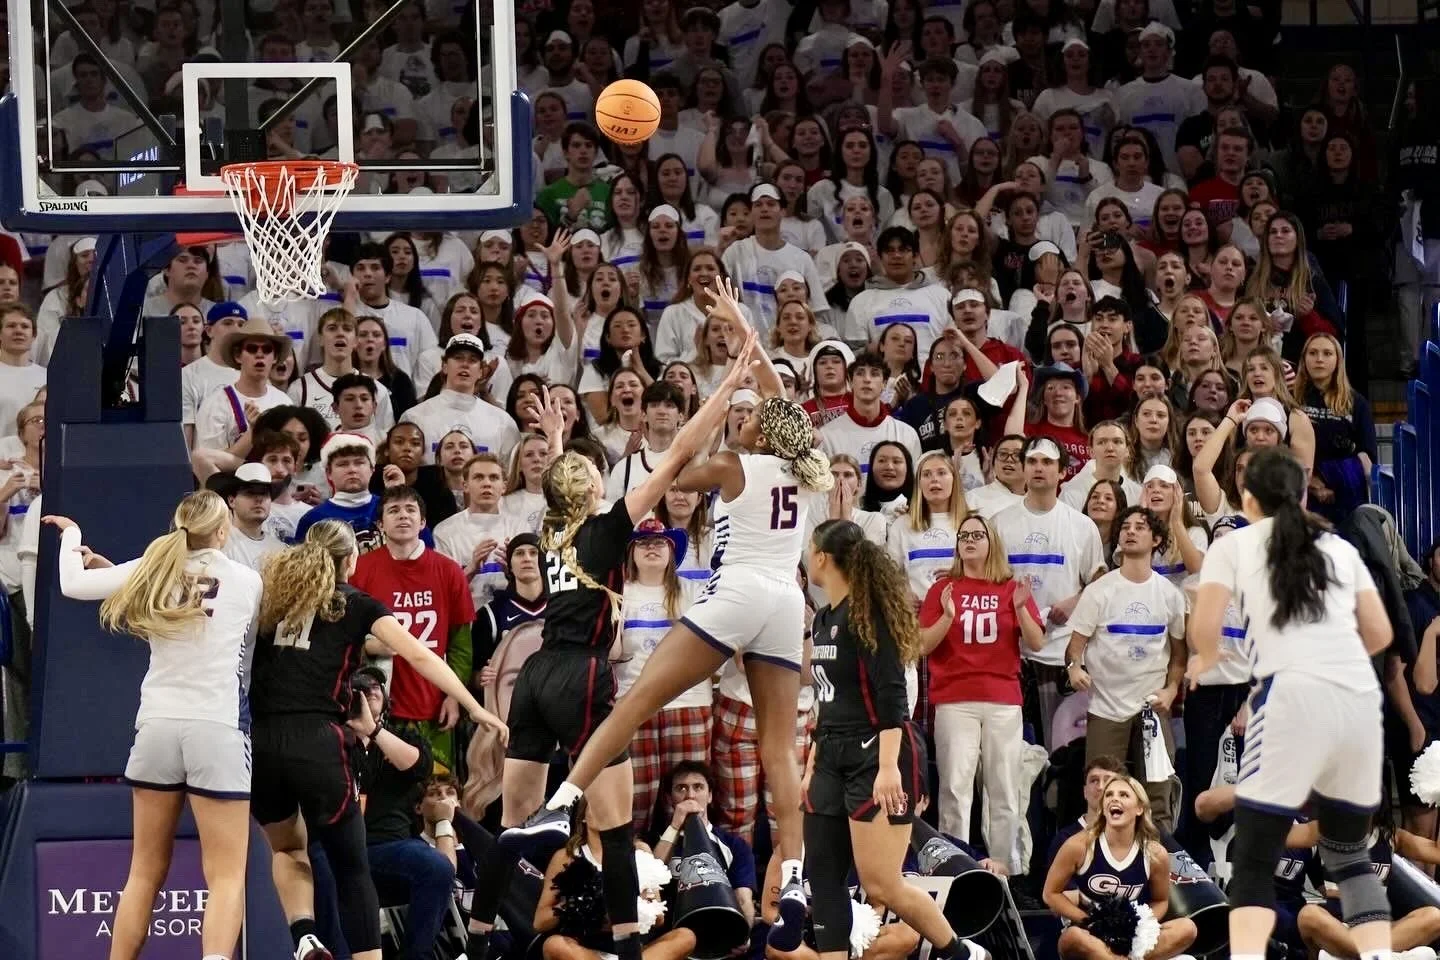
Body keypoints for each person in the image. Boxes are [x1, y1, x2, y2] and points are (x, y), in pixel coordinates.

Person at [538, 277, 831, 953]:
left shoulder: (735, 465)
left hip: (739, 594)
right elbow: (788, 407)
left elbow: (674, 471)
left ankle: (560, 806)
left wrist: (696, 421)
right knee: (778, 752)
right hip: (786, 605)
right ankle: (794, 879)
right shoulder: (804, 470)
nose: (743, 417)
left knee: (634, 701)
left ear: (761, 431)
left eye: (750, 416)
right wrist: (742, 333)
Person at [500, 321, 757, 960]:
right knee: (615, 830)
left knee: (515, 823)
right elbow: (674, 458)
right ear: (592, 489)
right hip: (584, 673)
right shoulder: (608, 527)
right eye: (592, 470)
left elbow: (561, 486)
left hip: (535, 671)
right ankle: (626, 949)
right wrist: (723, 390)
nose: (600, 473)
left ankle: (496, 936)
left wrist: (559, 440)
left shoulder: (550, 526)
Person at [249, 519, 506, 960]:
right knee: (353, 869)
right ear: (351, 560)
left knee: (290, 848)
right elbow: (418, 653)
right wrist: (473, 705)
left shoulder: (270, 600)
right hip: (318, 740)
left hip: (262, 742)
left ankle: (305, 934)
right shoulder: (355, 603)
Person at [1187, 446, 1396, 960]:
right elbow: (1380, 633)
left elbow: (1205, 630)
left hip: (1290, 694)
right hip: (1355, 701)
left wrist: (1203, 659)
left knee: (1255, 862)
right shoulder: (1341, 549)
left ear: (1248, 499)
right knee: (1350, 858)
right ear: (1303, 492)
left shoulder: (1236, 546)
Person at [44, 492, 262, 960]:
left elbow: (72, 584)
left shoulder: (152, 566)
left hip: (158, 727)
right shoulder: (247, 579)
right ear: (223, 532)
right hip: (216, 728)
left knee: (143, 870)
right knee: (225, 875)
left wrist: (72, 536)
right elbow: (242, 652)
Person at [801, 518, 977, 960]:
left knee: (881, 882)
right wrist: (810, 766)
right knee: (822, 873)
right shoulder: (823, 618)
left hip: (879, 753)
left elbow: (893, 698)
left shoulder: (868, 615)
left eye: (810, 548)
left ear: (823, 557)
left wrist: (885, 769)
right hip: (830, 753)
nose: (807, 554)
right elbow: (827, 700)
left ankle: (958, 952)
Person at [1065, 506, 1188, 829]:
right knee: (1102, 794)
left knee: (1157, 795)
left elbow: (1179, 655)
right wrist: (1074, 668)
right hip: (1106, 707)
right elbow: (1074, 646)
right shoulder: (1100, 590)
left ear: (1156, 538)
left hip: (1151, 708)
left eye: (1140, 527)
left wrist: (1172, 689)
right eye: (1126, 527)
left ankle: (1162, 868)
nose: (1131, 531)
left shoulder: (1169, 595)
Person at [1043, 774, 1199, 960]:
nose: (1114, 798)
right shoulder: (1079, 845)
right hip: (1090, 933)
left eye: (1124, 795)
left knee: (1187, 928)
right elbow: (1050, 894)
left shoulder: (1155, 854)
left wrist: (1139, 924)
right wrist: (1088, 920)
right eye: (1109, 795)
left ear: (1140, 808)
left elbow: (1161, 900)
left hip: (1131, 936)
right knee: (1071, 938)